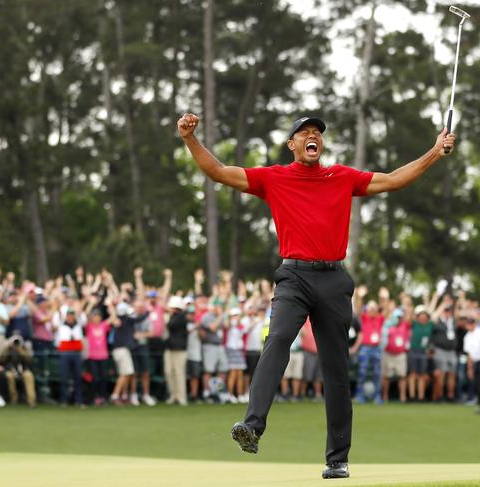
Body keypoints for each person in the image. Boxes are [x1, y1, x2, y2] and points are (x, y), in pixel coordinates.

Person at [178, 112, 455, 479]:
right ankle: (253, 426)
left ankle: (337, 459)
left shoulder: (341, 176)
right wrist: (189, 138)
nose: (313, 137)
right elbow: (219, 171)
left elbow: (392, 180)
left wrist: (435, 152)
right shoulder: (273, 177)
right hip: (293, 277)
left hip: (334, 280)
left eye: (317, 134)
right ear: (292, 145)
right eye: (304, 133)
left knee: (336, 368)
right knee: (276, 339)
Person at [53, 307, 85, 407]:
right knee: (64, 377)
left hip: (76, 353)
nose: (70, 317)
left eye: (72, 315)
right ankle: (64, 400)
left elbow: (82, 316)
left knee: (78, 378)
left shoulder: (78, 325)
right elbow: (56, 319)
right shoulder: (61, 325)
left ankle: (78, 400)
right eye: (69, 315)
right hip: (65, 353)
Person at [163, 296, 189, 406]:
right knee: (169, 372)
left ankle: (181, 397)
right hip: (170, 348)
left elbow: (171, 325)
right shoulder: (173, 316)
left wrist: (167, 317)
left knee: (179, 373)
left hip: (179, 349)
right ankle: (173, 395)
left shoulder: (181, 316)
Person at [0, 334, 37, 407]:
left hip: (24, 370)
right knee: (9, 376)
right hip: (11, 370)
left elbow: (30, 361)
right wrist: (7, 348)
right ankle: (13, 399)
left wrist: (21, 351)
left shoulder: (24, 349)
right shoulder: (8, 350)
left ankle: (31, 401)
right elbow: (1, 360)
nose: (16, 344)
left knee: (28, 375)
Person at [431, 302, 458, 402]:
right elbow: (433, 316)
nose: (447, 313)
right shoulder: (438, 321)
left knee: (452, 373)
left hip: (451, 351)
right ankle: (439, 395)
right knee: (440, 374)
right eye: (445, 310)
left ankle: (450, 395)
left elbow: (459, 314)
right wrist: (442, 305)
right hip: (440, 350)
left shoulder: (453, 322)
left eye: (449, 310)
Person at [407, 305, 433, 401]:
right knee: (412, 373)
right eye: (420, 315)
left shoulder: (430, 325)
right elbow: (409, 317)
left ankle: (421, 396)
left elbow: (434, 315)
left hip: (423, 352)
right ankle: (412, 396)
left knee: (422, 374)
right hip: (413, 351)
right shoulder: (414, 324)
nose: (423, 317)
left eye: (424, 315)